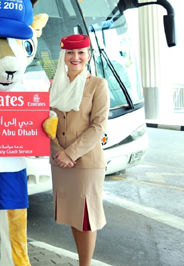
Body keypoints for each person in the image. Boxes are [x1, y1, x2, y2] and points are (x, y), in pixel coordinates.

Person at [49, 34, 109, 266]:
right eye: (70, 53)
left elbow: (98, 126)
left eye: (81, 52)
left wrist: (70, 153)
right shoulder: (53, 85)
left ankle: (85, 264)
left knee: (86, 217)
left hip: (85, 162)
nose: (76, 57)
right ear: (63, 55)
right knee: (74, 216)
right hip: (60, 161)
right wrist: (58, 151)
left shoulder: (97, 84)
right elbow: (46, 122)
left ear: (89, 56)